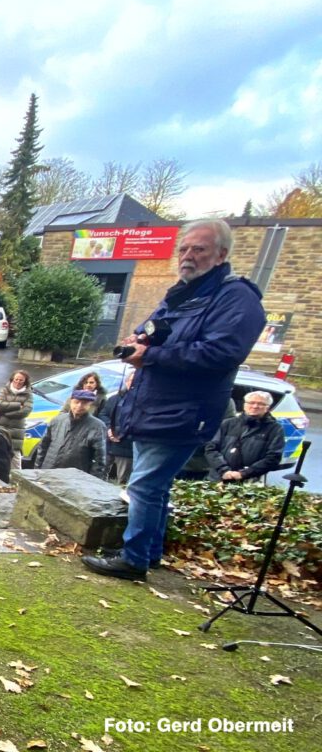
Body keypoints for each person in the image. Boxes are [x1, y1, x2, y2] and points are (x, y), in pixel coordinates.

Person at [83, 219, 267, 581]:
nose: (188, 256)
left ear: (221, 254)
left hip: (183, 410)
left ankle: (134, 558)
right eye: (184, 248)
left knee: (144, 485)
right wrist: (141, 344)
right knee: (154, 486)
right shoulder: (185, 292)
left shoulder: (235, 297)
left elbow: (220, 354)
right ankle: (147, 553)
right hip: (156, 405)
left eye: (198, 249)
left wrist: (149, 356)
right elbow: (149, 331)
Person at [204, 390, 285, 483]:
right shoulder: (228, 423)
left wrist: (244, 474)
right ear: (244, 405)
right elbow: (211, 449)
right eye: (251, 402)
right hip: (217, 479)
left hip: (250, 483)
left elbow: (273, 457)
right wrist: (224, 470)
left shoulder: (275, 429)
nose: (255, 406)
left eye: (261, 404)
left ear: (267, 408)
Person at [34, 389, 106, 479]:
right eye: (76, 402)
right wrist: (37, 470)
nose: (79, 406)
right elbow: (43, 447)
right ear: (71, 402)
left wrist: (92, 481)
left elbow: (99, 460)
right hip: (48, 471)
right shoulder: (57, 421)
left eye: (84, 403)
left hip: (75, 477)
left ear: (89, 404)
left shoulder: (97, 426)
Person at [98, 372, 134, 485]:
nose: (133, 383)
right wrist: (109, 429)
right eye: (131, 380)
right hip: (108, 444)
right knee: (98, 475)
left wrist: (121, 432)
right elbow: (103, 414)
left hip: (126, 448)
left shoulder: (143, 401)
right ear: (126, 381)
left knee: (122, 481)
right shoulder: (115, 398)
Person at [0, 370, 34, 470]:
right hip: (1, 427)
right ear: (12, 379)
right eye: (16, 379)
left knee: (15, 462)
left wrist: (5, 412)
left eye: (21, 380)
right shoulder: (4, 390)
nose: (18, 382)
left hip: (16, 432)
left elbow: (26, 411)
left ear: (25, 381)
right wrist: (17, 405)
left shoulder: (28, 394)